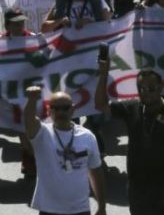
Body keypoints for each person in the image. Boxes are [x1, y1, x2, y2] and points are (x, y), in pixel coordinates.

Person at [95, 62, 164, 215]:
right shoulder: (132, 108)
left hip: (163, 190)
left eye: (151, 88)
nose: (146, 93)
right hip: (137, 190)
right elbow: (100, 105)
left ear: (160, 87)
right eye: (141, 89)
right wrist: (103, 74)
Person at [23, 87, 106, 215]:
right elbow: (29, 121)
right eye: (55, 108)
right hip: (49, 210)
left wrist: (102, 206)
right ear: (49, 110)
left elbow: (95, 172)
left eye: (65, 108)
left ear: (73, 109)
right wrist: (32, 99)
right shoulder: (41, 133)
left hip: (80, 209)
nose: (60, 112)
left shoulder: (88, 136)